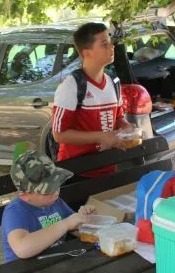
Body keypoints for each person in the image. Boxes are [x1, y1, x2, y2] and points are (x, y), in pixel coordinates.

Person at [52, 22, 133, 177]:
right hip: (77, 172)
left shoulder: (114, 82)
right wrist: (100, 137)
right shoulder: (71, 85)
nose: (112, 46)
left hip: (108, 167)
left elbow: (118, 118)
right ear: (87, 52)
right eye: (104, 44)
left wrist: (127, 128)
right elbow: (59, 135)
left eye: (110, 42)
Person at [1, 149, 94, 262]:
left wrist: (85, 220)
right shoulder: (15, 211)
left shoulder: (56, 202)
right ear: (24, 195)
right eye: (47, 190)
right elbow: (22, 248)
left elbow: (75, 228)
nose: (55, 193)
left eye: (56, 185)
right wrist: (65, 224)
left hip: (54, 263)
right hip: (24, 270)